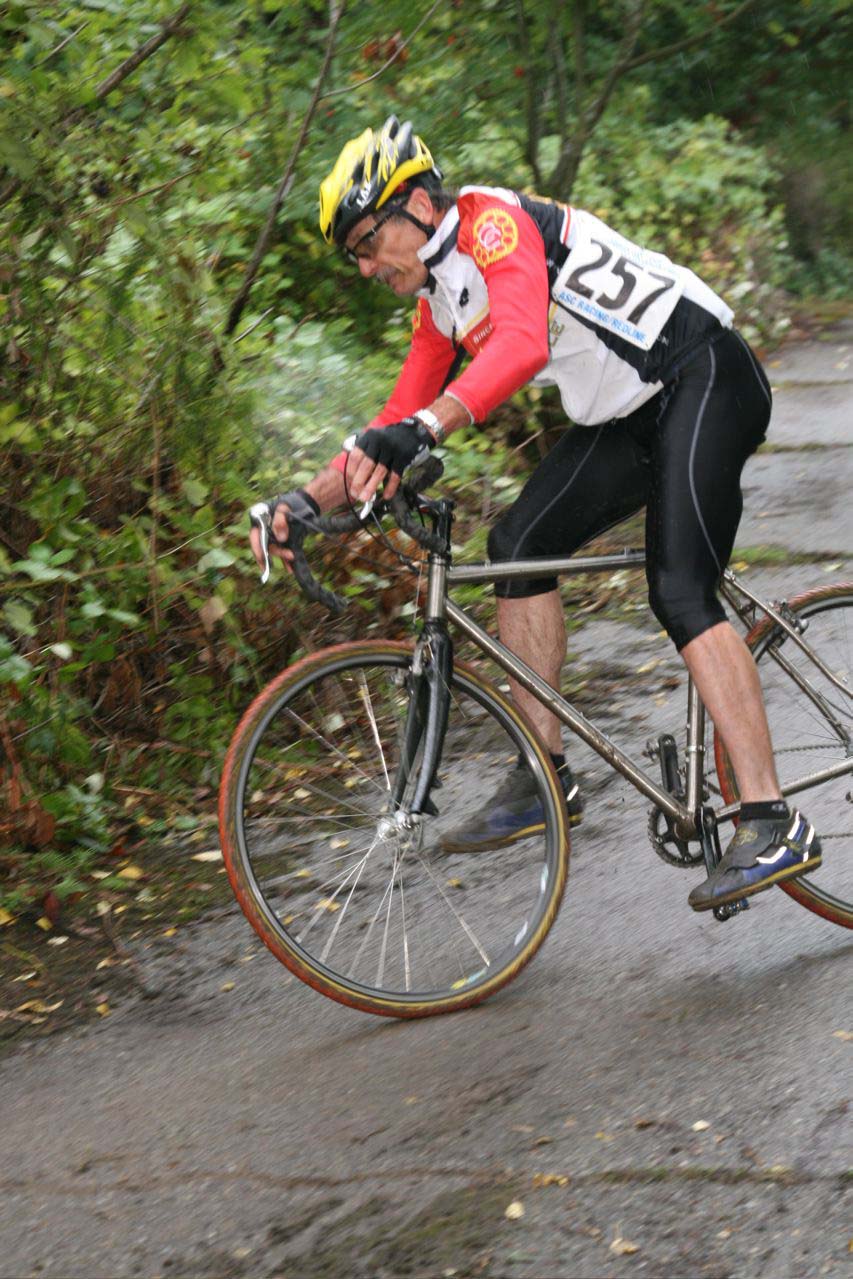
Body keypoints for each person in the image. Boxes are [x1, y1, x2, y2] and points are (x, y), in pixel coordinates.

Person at [250, 116, 822, 913]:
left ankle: (770, 817)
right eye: (352, 252)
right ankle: (543, 774)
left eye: (366, 239)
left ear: (415, 205)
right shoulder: (441, 302)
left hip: (703, 373)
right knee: (517, 544)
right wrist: (304, 501)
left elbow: (517, 345)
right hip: (630, 413)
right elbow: (391, 422)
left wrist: (427, 428)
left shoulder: (491, 224)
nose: (363, 263)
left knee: (680, 590)